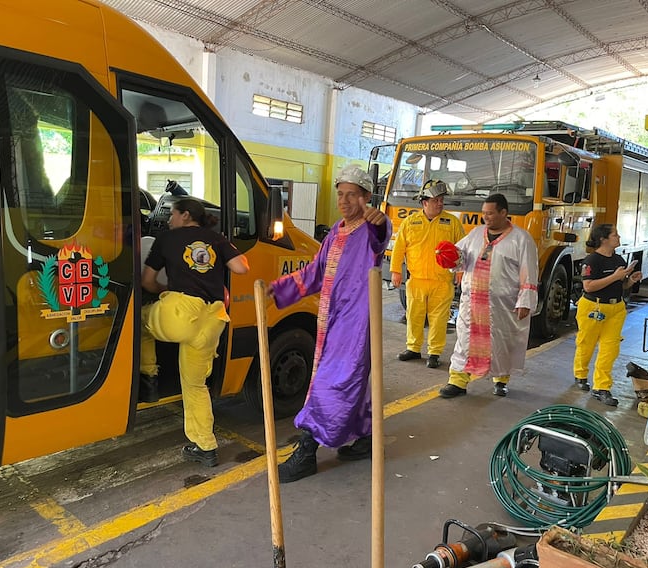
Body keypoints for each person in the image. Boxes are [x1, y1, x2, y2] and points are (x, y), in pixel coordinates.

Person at [268, 164, 390, 483]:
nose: (345, 201)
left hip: (357, 323)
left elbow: (382, 235)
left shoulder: (370, 230)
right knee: (355, 384)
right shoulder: (337, 230)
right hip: (332, 318)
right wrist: (280, 287)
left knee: (333, 383)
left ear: (366, 198)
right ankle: (365, 438)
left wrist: (381, 221)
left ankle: (308, 449)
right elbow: (315, 273)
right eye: (341, 194)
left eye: (353, 195)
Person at [140, 197, 249, 467]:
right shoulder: (215, 238)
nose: (168, 219)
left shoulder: (165, 238)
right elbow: (242, 267)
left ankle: (149, 377)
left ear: (186, 215)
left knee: (137, 324)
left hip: (181, 313)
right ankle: (205, 446)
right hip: (213, 318)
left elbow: (147, 281)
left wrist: (162, 293)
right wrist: (222, 246)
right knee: (195, 385)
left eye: (173, 214)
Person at [440, 193, 538, 398]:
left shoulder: (521, 239)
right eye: (484, 213)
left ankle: (501, 378)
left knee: (502, 343)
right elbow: (460, 257)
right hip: (472, 303)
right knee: (465, 341)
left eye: (491, 213)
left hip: (503, 306)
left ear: (504, 213)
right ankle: (457, 381)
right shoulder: (476, 234)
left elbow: (529, 271)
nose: (486, 217)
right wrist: (448, 256)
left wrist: (525, 300)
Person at [390, 179, 464, 368]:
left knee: (438, 319)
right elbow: (399, 249)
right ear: (425, 202)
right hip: (416, 281)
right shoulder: (410, 222)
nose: (440, 203)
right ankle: (413, 348)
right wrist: (396, 271)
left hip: (442, 282)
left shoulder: (452, 222)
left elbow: (462, 249)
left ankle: (434, 353)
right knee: (414, 315)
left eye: (441, 200)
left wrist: (460, 271)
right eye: (436, 200)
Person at [573, 224, 642, 406]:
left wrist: (630, 280)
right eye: (615, 235)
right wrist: (614, 276)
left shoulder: (619, 260)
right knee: (586, 343)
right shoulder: (591, 261)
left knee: (610, 350)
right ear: (603, 239)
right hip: (592, 308)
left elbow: (622, 285)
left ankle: (601, 387)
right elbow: (588, 286)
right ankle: (580, 374)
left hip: (616, 309)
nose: (618, 238)